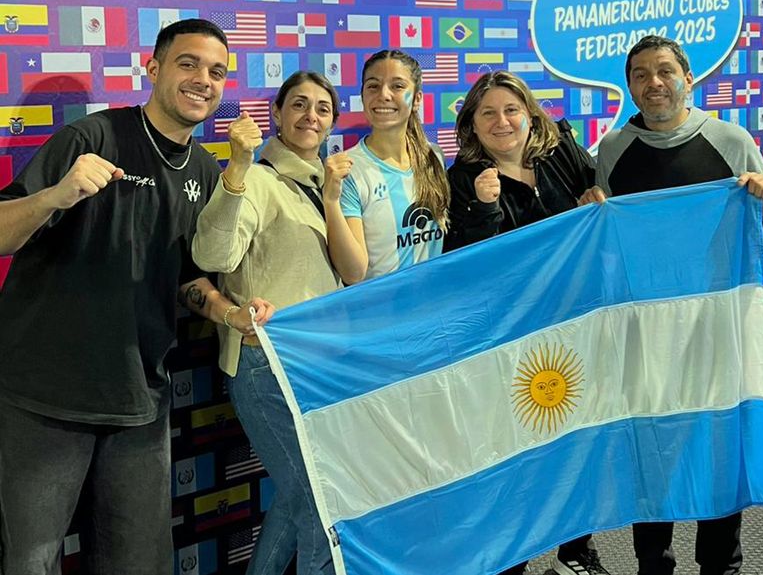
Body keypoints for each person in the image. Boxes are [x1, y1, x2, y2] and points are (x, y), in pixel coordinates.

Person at [0, 19, 267, 574]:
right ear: (153, 68)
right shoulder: (92, 138)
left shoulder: (205, 169)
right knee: (29, 561)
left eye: (216, 72)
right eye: (188, 63)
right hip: (44, 397)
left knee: (139, 564)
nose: (203, 80)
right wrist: (56, 195)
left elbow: (189, 280)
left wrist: (228, 313)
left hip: (140, 399)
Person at [579, 35, 763, 575]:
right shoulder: (614, 149)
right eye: (641, 74)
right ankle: (655, 566)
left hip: (716, 332)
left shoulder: (730, 140)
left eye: (666, 71)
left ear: (688, 77)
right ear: (629, 86)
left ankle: (723, 565)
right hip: (646, 335)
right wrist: (591, 213)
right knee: (653, 450)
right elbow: (604, 247)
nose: (654, 83)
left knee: (718, 447)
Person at [443, 71, 610, 575]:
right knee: (516, 449)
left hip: (577, 324)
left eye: (511, 109)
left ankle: (576, 553)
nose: (502, 121)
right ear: (472, 124)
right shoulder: (462, 177)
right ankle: (511, 557)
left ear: (529, 113)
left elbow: (601, 202)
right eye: (487, 113)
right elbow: (466, 263)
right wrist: (486, 208)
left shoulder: (561, 151)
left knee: (580, 438)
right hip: (512, 337)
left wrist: (598, 199)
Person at [192, 71, 342, 575]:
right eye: (298, 104)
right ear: (277, 114)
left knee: (299, 497)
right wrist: (236, 168)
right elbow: (213, 252)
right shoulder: (256, 179)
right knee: (320, 505)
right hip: (266, 364)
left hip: (318, 367)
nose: (310, 116)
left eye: (322, 108)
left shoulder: (329, 187)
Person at [323, 49, 449, 283]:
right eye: (373, 86)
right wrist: (330, 202)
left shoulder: (434, 157)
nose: (384, 95)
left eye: (398, 86)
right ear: (362, 96)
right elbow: (353, 273)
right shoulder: (350, 170)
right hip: (381, 314)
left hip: (434, 307)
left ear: (417, 99)